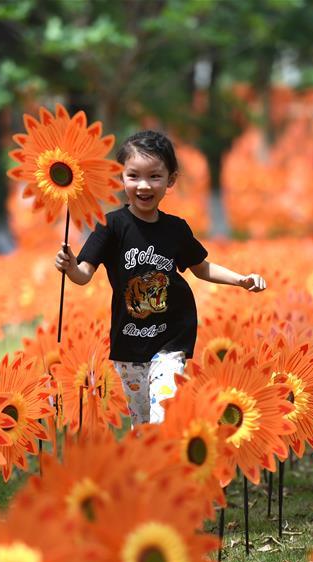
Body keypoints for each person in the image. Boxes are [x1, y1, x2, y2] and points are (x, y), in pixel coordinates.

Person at [54, 130, 266, 425]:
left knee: (163, 413)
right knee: (142, 424)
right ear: (121, 177)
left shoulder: (176, 229)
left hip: (170, 339)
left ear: (171, 180)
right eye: (134, 176)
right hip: (128, 343)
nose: (143, 185)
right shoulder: (111, 226)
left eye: (154, 176)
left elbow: (201, 267)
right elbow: (83, 274)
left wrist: (241, 279)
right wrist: (69, 266)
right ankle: (150, 468)